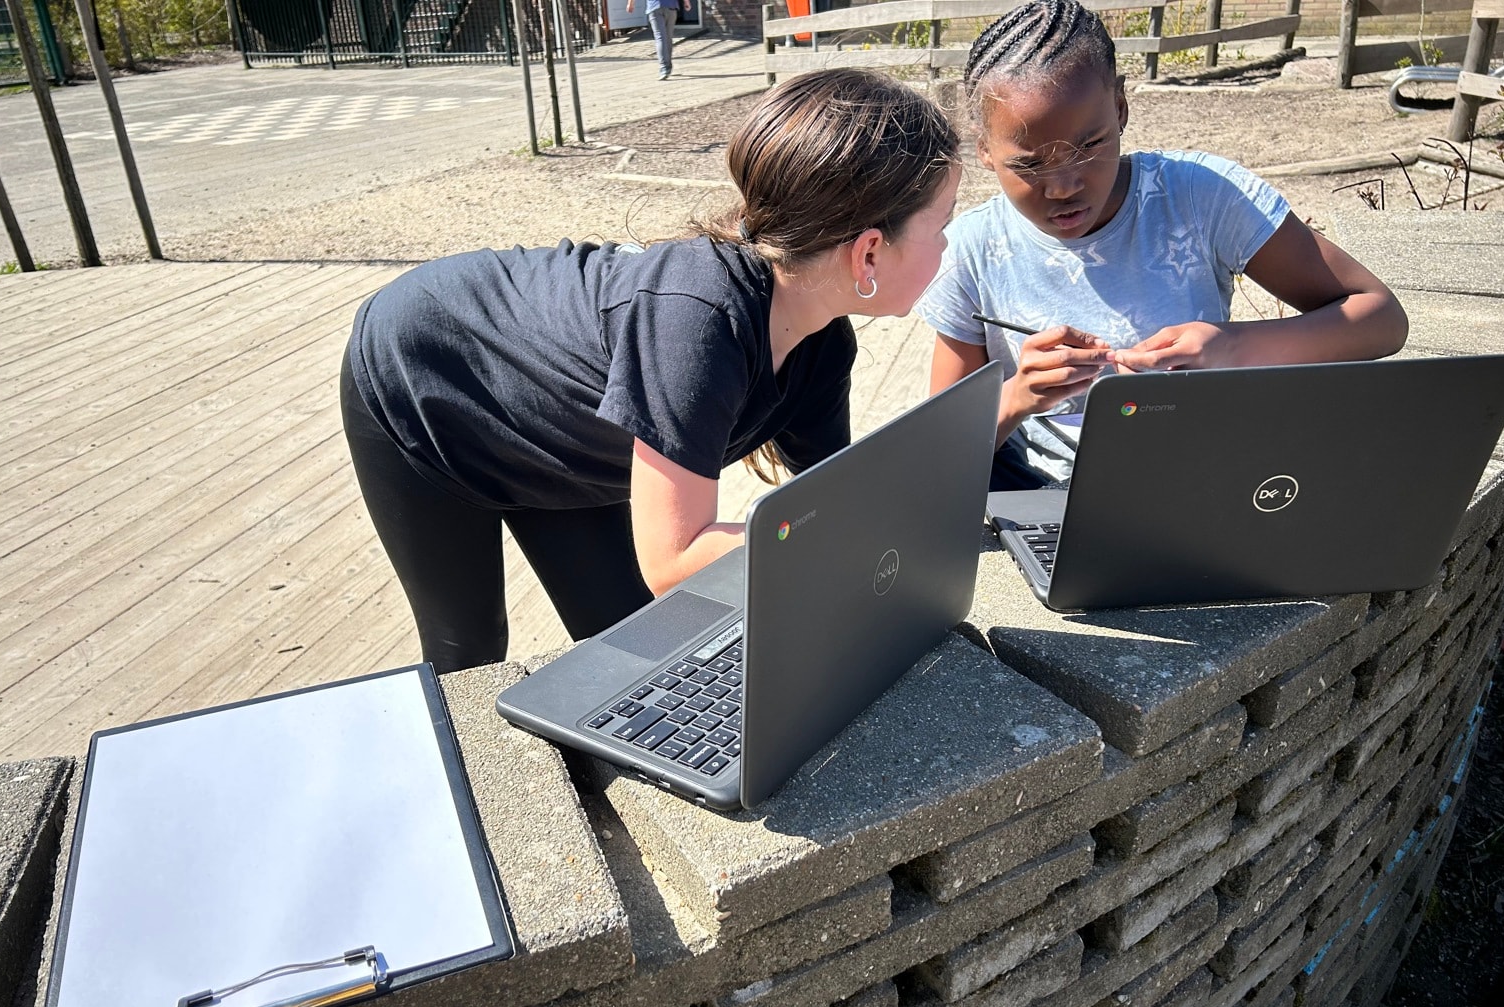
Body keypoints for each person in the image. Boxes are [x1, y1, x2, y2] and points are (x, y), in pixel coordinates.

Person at [341, 68, 961, 673]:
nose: (947, 245)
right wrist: (836, 541)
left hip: (558, 435)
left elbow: (831, 499)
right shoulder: (698, 320)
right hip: (426, 381)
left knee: (635, 644)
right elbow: (675, 559)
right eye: (943, 225)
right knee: (469, 650)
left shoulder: (822, 346)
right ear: (868, 251)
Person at [916, 0, 1409, 489]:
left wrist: (1231, 348)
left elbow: (1381, 319)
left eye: (1090, 146)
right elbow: (936, 452)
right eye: (1029, 165)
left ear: (1121, 107)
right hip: (1038, 501)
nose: (1064, 186)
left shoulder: (1199, 196)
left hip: (1195, 484)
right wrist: (1018, 396)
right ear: (985, 148)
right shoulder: (970, 252)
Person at [626, 0, 690, 80]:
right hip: (671, 6)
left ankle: (664, 68)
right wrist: (686, 2)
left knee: (660, 37)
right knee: (668, 37)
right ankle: (668, 67)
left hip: (654, 6)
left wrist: (630, 4)